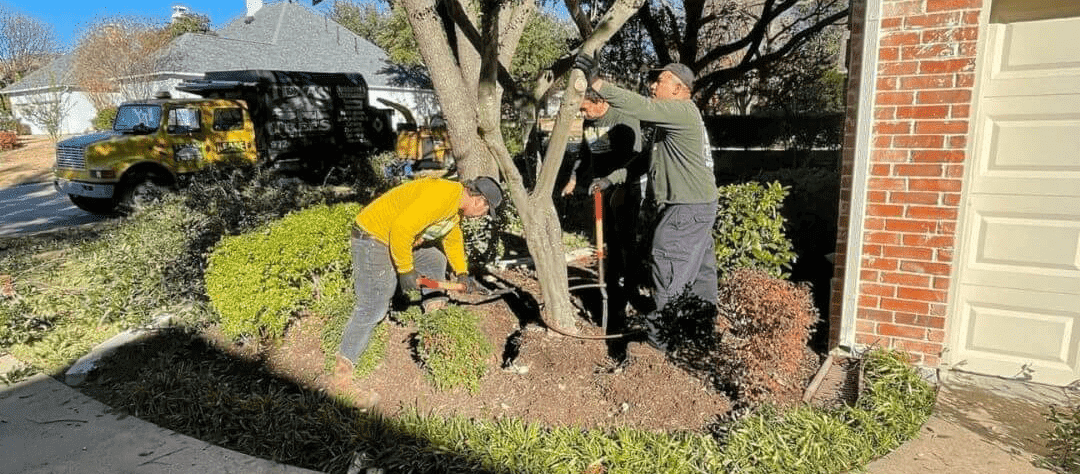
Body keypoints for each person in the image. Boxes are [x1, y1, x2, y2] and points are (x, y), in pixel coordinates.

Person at [575, 57, 718, 351]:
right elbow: (643, 160)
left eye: (660, 80)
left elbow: (642, 108)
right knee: (701, 277)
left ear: (679, 89)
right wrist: (611, 179)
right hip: (696, 206)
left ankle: (659, 352)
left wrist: (597, 82)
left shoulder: (680, 111)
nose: (652, 85)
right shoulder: (673, 125)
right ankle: (700, 336)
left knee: (667, 269)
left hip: (687, 209)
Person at [336, 176, 503, 381]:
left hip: (397, 238)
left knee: (434, 258)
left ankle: (435, 311)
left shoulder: (455, 205)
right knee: (374, 304)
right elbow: (401, 229)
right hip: (373, 237)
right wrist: (406, 270)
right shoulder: (442, 197)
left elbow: (452, 238)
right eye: (486, 211)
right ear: (479, 201)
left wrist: (462, 272)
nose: (482, 215)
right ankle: (344, 366)